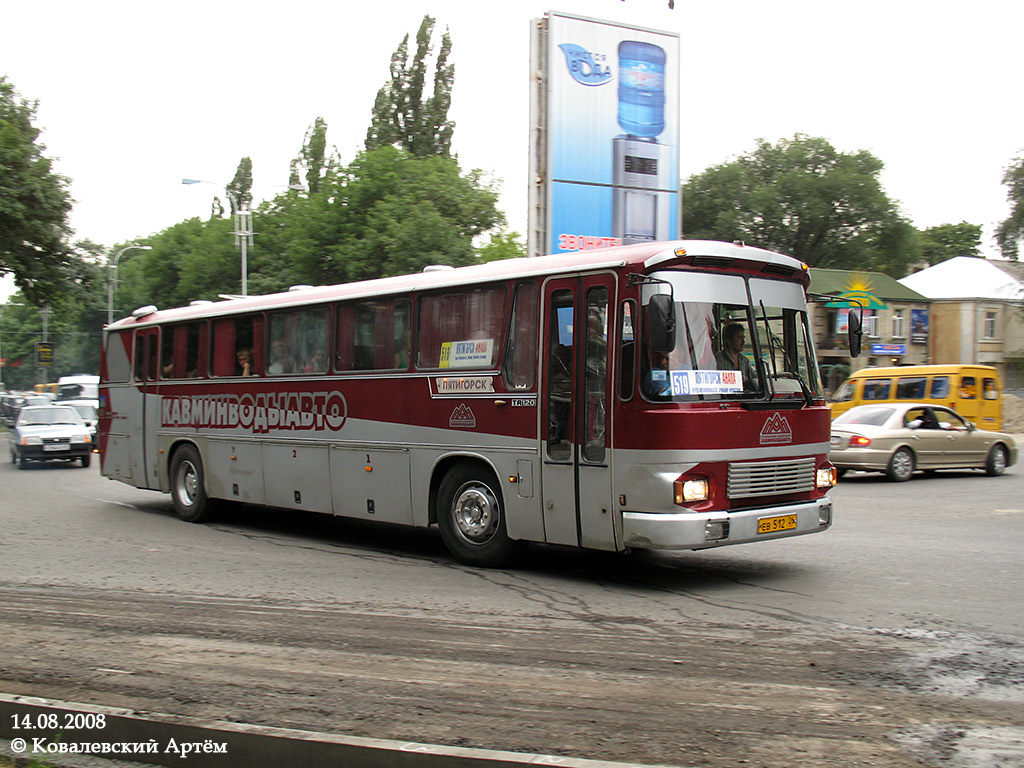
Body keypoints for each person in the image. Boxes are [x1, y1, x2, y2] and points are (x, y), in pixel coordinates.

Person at [715, 322, 756, 390]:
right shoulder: (717, 360)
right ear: (729, 340)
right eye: (739, 338)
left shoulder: (745, 361)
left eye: (743, 338)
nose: (743, 341)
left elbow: (755, 379)